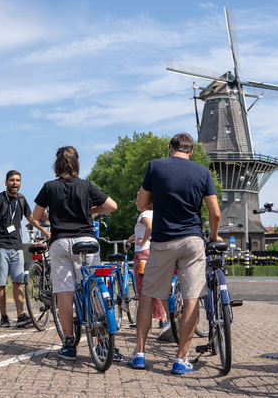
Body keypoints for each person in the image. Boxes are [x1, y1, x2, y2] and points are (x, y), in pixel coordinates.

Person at [128, 133, 221, 374]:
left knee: (147, 295)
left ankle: (139, 354)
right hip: (191, 241)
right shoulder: (203, 172)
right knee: (191, 297)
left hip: (162, 242)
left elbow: (140, 203)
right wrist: (213, 236)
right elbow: (215, 213)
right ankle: (181, 359)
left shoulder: (155, 166)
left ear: (171, 149)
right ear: (191, 152)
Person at [31, 146, 118, 360]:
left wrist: (57, 216)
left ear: (57, 164)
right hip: (87, 241)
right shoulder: (87, 186)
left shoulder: (49, 187)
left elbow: (36, 215)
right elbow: (112, 206)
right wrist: (91, 210)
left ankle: (69, 344)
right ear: (76, 163)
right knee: (92, 287)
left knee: (65, 292)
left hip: (60, 242)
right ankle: (103, 343)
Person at [0, 170, 50, 328]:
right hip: (0, 246)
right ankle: (4, 316)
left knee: (18, 282)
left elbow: (31, 218)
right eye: (12, 180)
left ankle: (21, 315)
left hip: (17, 247)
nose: (15, 183)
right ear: (6, 182)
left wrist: (45, 230)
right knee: (1, 283)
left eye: (17, 180)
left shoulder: (21, 199)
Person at [125, 195, 169, 338]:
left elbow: (149, 227)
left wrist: (143, 240)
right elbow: (151, 227)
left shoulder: (144, 214)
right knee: (159, 287)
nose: (136, 201)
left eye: (138, 199)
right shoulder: (158, 213)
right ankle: (164, 319)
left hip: (143, 254)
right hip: (157, 252)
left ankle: (145, 322)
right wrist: (134, 236)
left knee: (143, 289)